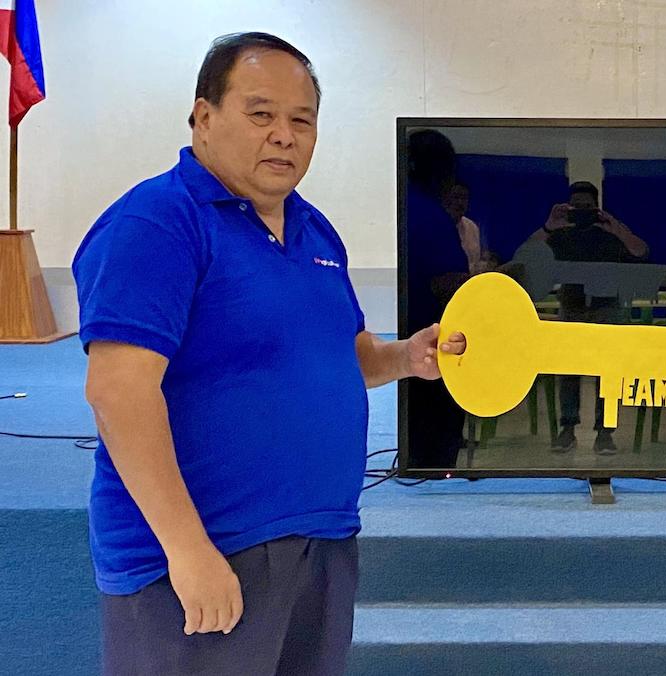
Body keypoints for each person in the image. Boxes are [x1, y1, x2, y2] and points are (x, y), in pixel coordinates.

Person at [72, 33, 465, 675]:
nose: (284, 135)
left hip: (322, 545)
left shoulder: (314, 230)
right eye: (261, 114)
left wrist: (404, 358)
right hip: (202, 560)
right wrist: (189, 550)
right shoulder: (158, 222)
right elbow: (118, 390)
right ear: (203, 117)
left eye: (301, 120)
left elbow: (343, 354)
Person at [525, 181, 648, 454]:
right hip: (572, 304)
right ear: (567, 208)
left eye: (587, 207)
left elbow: (640, 250)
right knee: (568, 370)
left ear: (597, 207)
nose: (581, 211)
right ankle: (567, 429)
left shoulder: (610, 232)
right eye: (576, 206)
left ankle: (605, 432)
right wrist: (549, 226)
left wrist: (615, 228)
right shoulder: (561, 233)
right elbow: (527, 255)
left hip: (607, 306)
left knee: (608, 371)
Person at [405, 129, 475, 468]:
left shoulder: (411, 207)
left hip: (415, 330)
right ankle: (433, 470)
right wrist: (487, 284)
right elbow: (443, 282)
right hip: (436, 337)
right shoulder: (430, 216)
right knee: (434, 436)